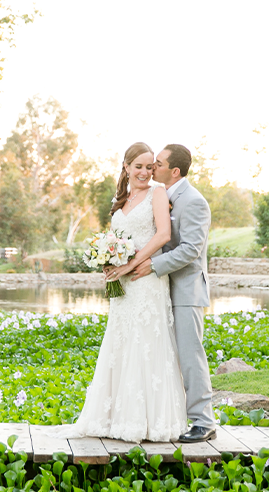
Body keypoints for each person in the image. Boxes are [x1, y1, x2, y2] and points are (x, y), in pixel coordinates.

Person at [56, 142, 188, 443]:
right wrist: (109, 261)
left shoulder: (157, 193)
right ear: (126, 167)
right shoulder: (121, 200)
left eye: (149, 166)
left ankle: (150, 422)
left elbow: (163, 235)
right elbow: (117, 239)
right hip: (124, 286)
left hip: (146, 281)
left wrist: (131, 265)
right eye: (138, 166)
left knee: (146, 344)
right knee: (121, 342)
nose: (144, 171)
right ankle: (114, 418)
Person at [129, 144, 215, 443]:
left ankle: (204, 422)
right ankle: (172, 417)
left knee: (191, 356)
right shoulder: (163, 196)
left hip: (186, 289)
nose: (152, 168)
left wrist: (153, 265)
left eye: (158, 163)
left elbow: (191, 249)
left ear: (174, 170)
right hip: (162, 290)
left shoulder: (193, 201)